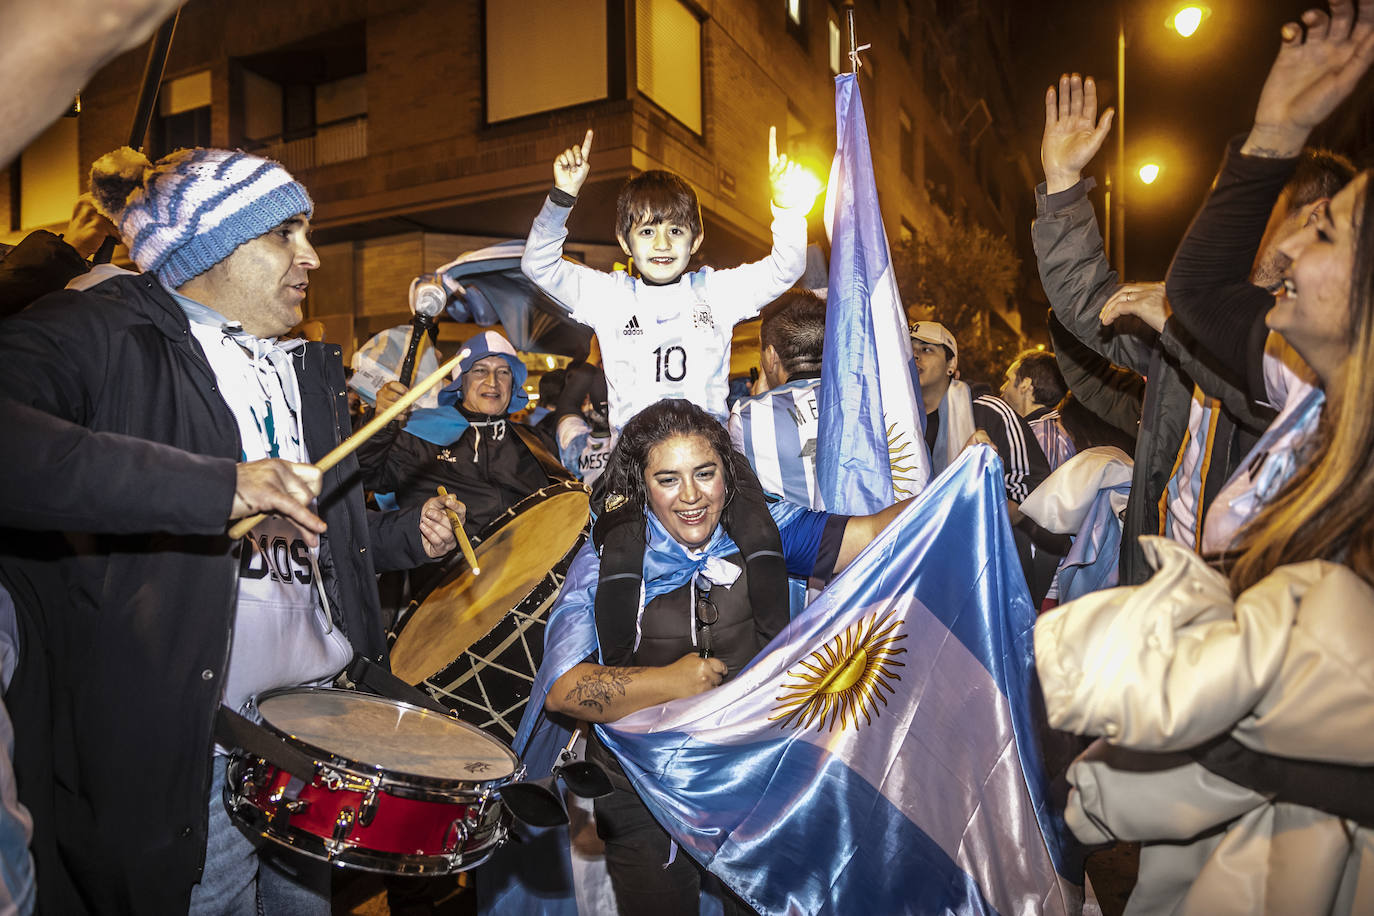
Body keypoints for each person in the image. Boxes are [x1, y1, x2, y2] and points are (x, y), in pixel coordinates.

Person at [0, 145, 462, 915]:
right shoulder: (105, 334)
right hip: (191, 756)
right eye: (287, 233)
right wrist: (216, 486)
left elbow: (316, 552)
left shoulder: (304, 372)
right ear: (212, 242)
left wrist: (407, 537)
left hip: (312, 737)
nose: (311, 256)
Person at [1036, 5, 1374, 912]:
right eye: (1290, 222)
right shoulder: (1274, 362)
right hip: (1194, 655)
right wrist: (1062, 187)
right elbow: (1100, 305)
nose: (1291, 243)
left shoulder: (1284, 380)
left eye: (1324, 230)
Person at [539, 399, 910, 915]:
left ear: (727, 475)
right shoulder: (604, 558)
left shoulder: (762, 527)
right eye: (668, 479)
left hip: (750, 769)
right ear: (642, 485)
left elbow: (870, 535)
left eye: (705, 474)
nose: (691, 497)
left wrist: (961, 477)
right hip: (642, 784)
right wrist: (672, 683)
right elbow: (565, 689)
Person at [1036, 72, 1356, 586]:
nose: (1233, 229)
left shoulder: (1327, 343)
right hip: (1155, 597)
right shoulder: (1192, 320)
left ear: (1316, 219)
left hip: (1242, 628)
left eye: (1256, 208)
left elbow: (1262, 389)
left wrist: (1185, 325)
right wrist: (1063, 184)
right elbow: (1094, 304)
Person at [520, 127, 819, 432]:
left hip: (705, 457)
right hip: (634, 464)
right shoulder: (610, 297)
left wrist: (786, 208)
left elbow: (787, 267)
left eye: (675, 231)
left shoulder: (716, 292)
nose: (661, 244)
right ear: (625, 242)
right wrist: (562, 197)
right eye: (647, 232)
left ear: (696, 240)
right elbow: (538, 265)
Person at [358, 329, 575, 541]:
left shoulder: (537, 443)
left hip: (532, 567)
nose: (492, 381)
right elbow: (364, 475)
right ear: (461, 381)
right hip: (447, 572)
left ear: (513, 383)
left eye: (503, 372)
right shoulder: (417, 433)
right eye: (480, 370)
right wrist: (379, 423)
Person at [728, 288, 827, 509]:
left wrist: (761, 400)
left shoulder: (748, 417)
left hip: (794, 542)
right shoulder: (863, 402)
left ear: (771, 356)